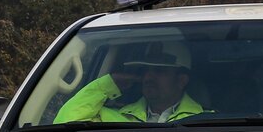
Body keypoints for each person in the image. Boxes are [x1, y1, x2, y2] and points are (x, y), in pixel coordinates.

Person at [54, 44, 207, 124]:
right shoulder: (113, 117)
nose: (148, 76)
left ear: (181, 80)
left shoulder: (205, 121)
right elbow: (64, 123)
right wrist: (107, 85)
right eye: (145, 70)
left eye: (159, 71)